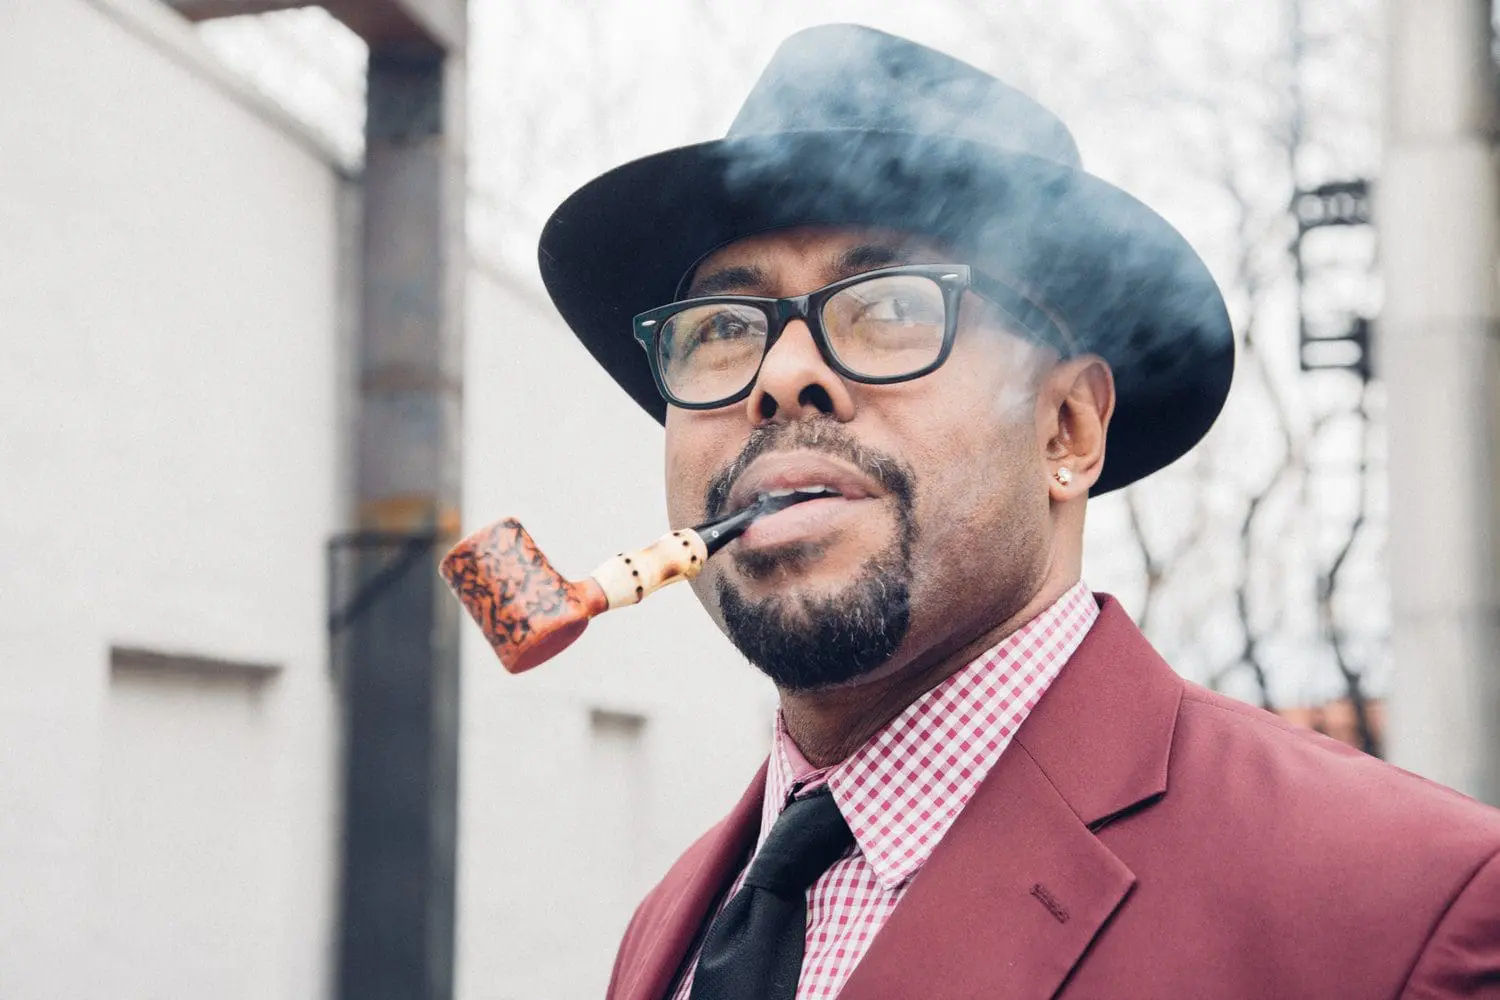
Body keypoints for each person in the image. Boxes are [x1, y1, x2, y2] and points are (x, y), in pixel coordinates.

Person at [536, 23, 1500, 1000]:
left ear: (1068, 430)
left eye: (891, 308)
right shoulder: (672, 924)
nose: (783, 375)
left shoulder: (1400, 909)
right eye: (722, 329)